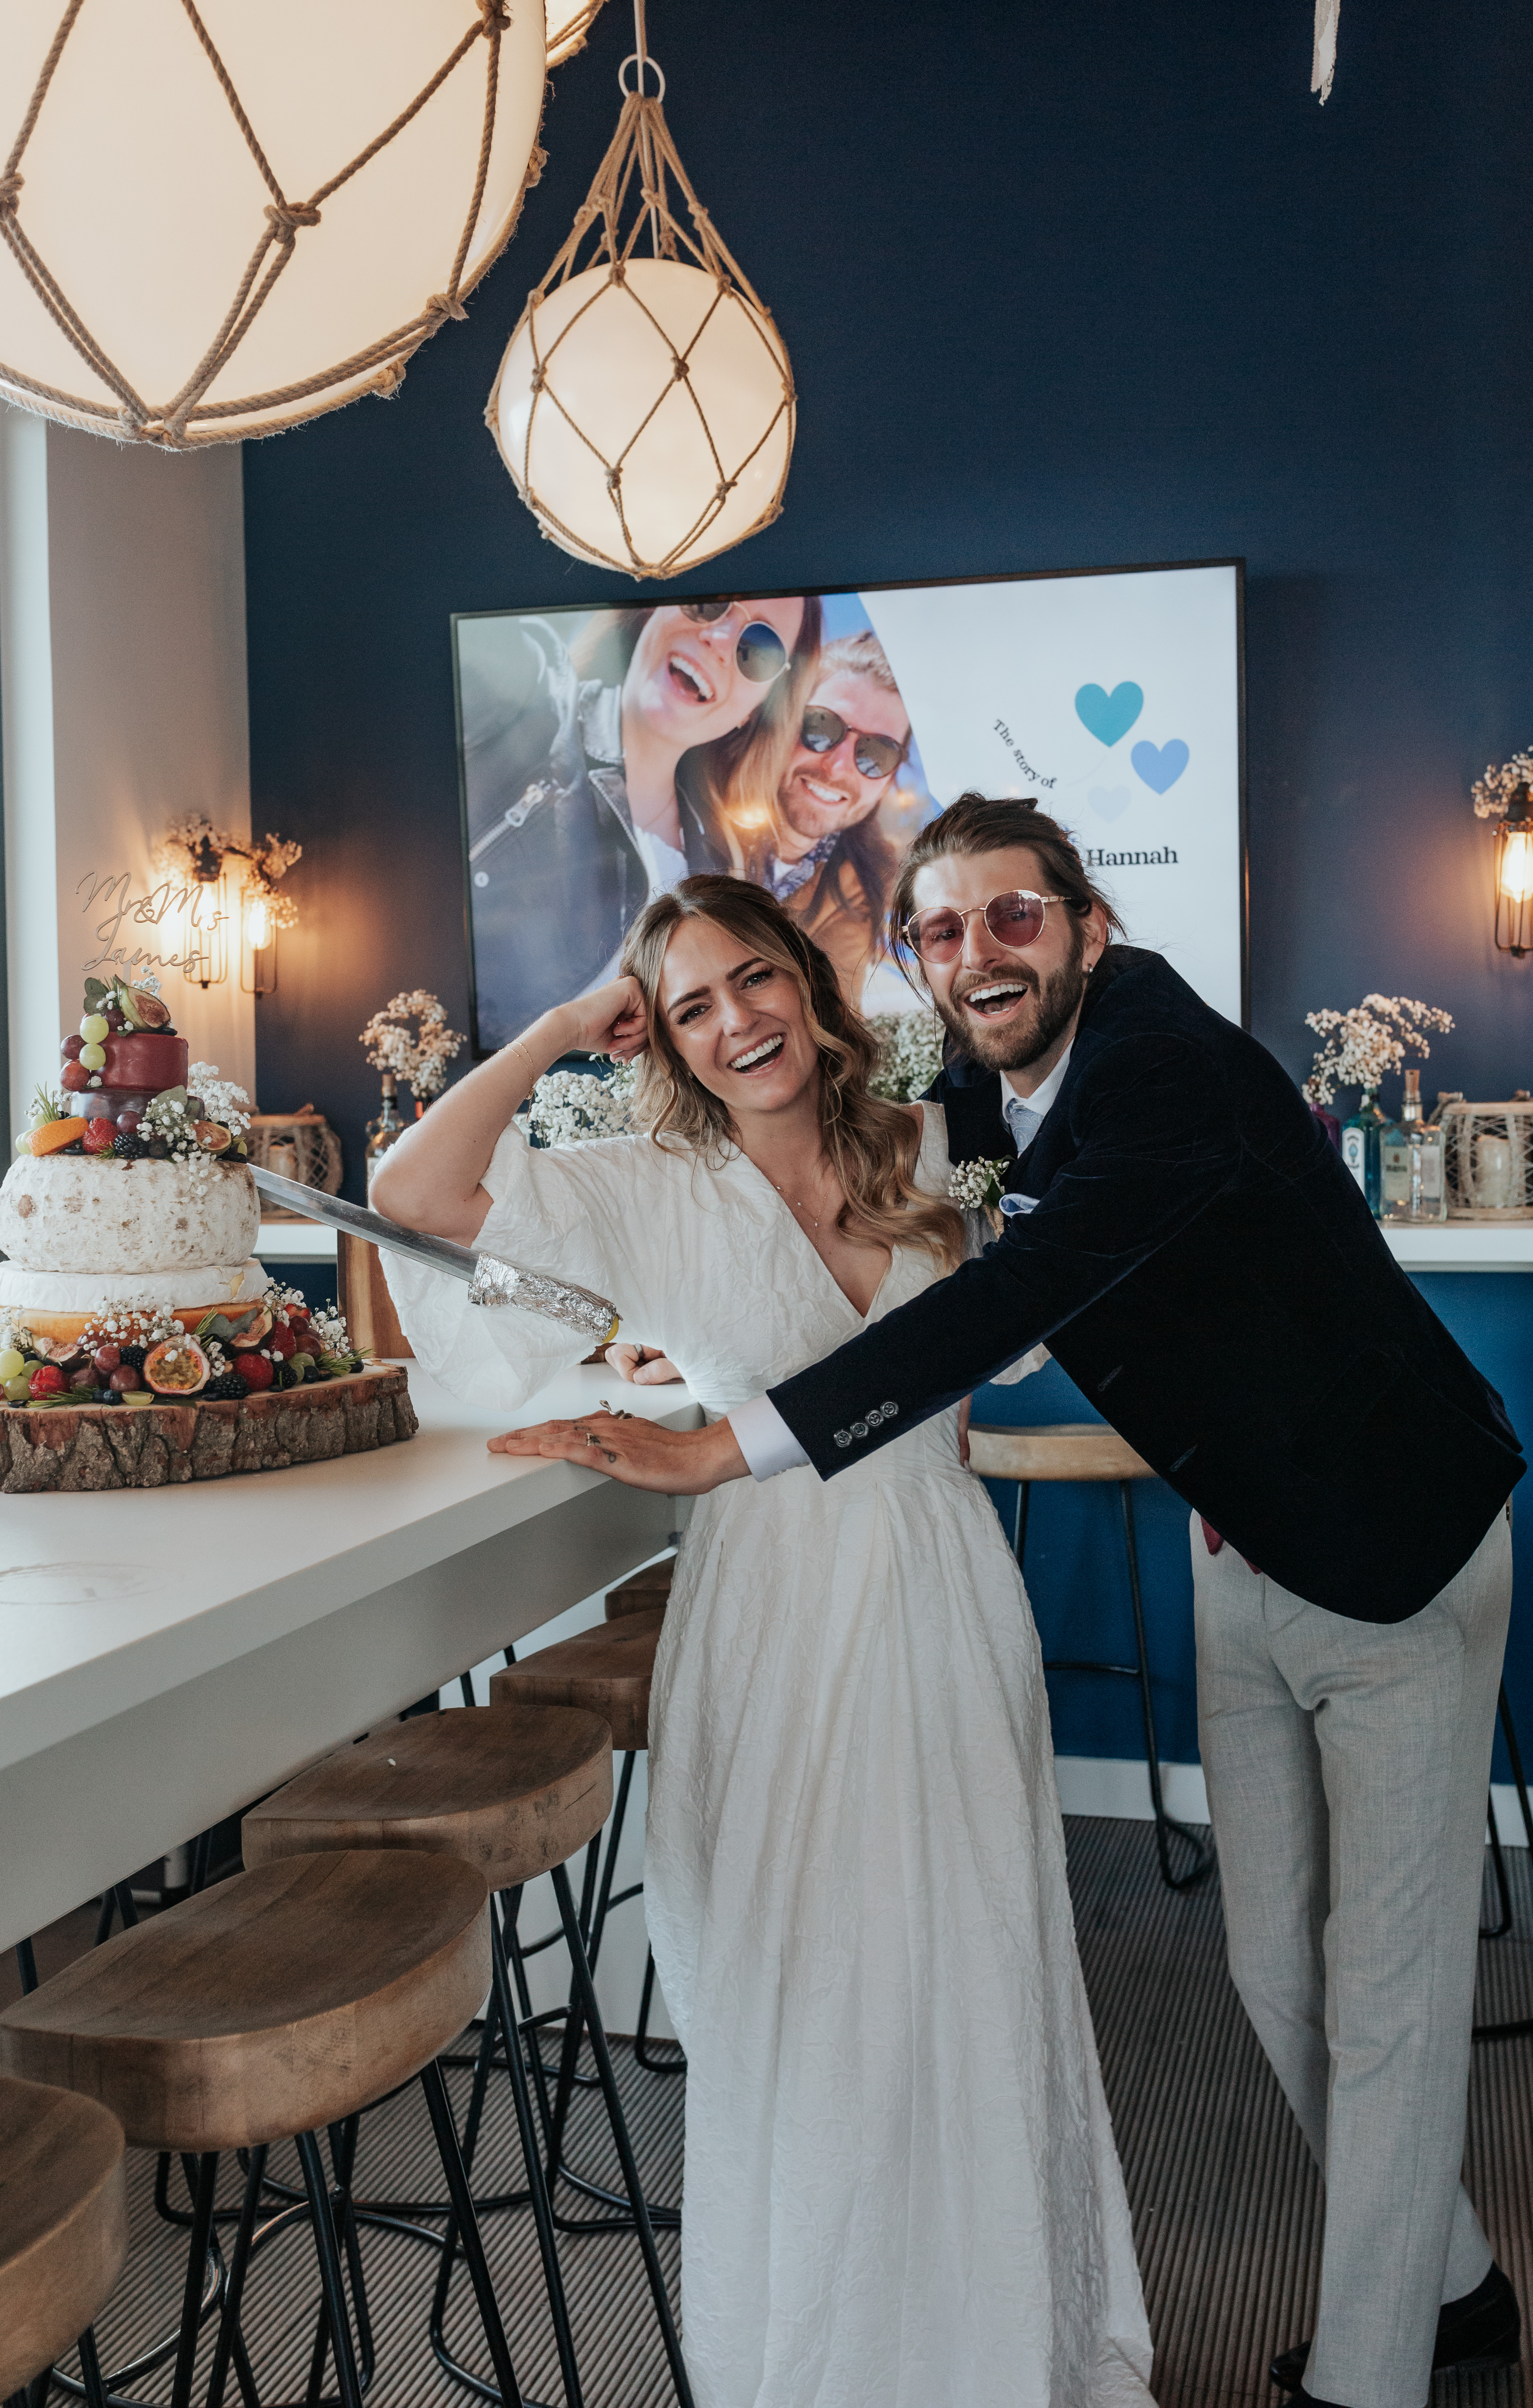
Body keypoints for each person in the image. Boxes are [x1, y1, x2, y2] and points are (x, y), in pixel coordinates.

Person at [493, 797, 1526, 2408]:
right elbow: (905, 1215)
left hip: (1395, 1552)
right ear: (910, 956)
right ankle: (1451, 2266)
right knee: (1273, 1970)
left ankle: (1383, 2368)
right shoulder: (975, 1093)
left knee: (1388, 1999)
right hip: (1241, 1545)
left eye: (1014, 919)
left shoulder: (1159, 1064)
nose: (978, 956)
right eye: (942, 929)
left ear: (1087, 926)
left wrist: (724, 1446)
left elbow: (1011, 1296)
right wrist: (697, 1323)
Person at [371, 873, 1158, 2408]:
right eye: (689, 1004)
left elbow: (1106, 1216)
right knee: (803, 1998)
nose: (736, 1021)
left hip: (939, 1589)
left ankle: (1002, 2346)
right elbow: (414, 1193)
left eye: (755, 978)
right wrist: (551, 1029)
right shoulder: (637, 1183)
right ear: (654, 1034)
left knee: (969, 1968)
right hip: (770, 1617)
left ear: (808, 979)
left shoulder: (936, 1141)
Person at [460, 596, 820, 1046]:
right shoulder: (530, 695)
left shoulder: (716, 868)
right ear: (654, 613)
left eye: (759, 648)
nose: (719, 637)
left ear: (754, 708)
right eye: (708, 604)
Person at [715, 630, 913, 1005]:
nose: (839, 766)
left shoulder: (856, 889)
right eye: (822, 726)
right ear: (784, 717)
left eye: (877, 753)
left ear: (889, 779)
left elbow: (834, 1028)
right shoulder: (689, 805)